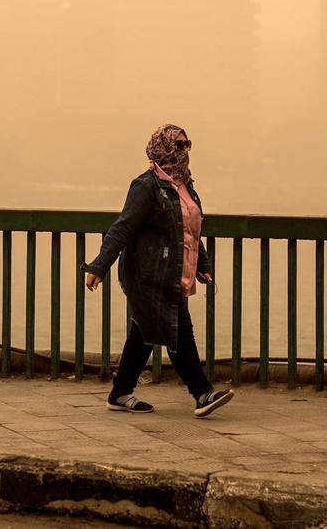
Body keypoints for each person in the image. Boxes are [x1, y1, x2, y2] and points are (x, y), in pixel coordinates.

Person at [83, 124, 234, 417]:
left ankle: (120, 392)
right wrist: (99, 266)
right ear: (162, 147)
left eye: (187, 144)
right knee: (178, 329)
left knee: (144, 333)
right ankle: (202, 392)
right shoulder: (146, 186)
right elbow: (122, 228)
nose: (184, 150)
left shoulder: (185, 185)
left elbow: (190, 231)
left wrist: (202, 265)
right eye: (178, 144)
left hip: (174, 273)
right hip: (148, 275)